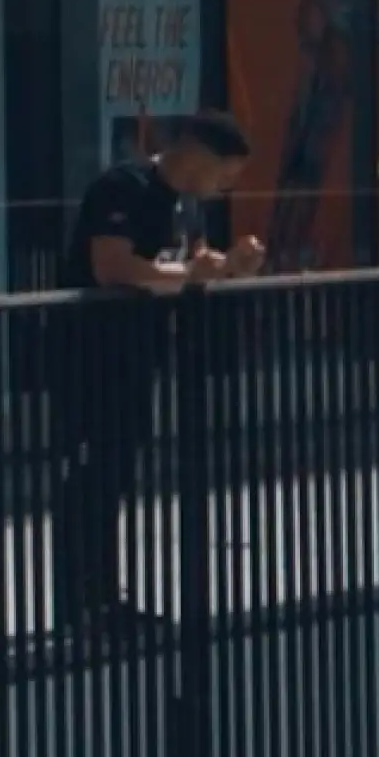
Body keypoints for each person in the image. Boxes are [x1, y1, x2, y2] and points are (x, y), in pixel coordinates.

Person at [51, 111, 262, 637]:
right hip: (91, 352)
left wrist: (227, 266)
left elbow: (191, 264)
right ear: (196, 154)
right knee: (91, 474)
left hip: (139, 354)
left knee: (118, 470)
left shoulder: (187, 208)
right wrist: (191, 272)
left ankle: (105, 594)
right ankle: (80, 600)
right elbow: (113, 265)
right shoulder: (124, 187)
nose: (226, 187)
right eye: (225, 173)